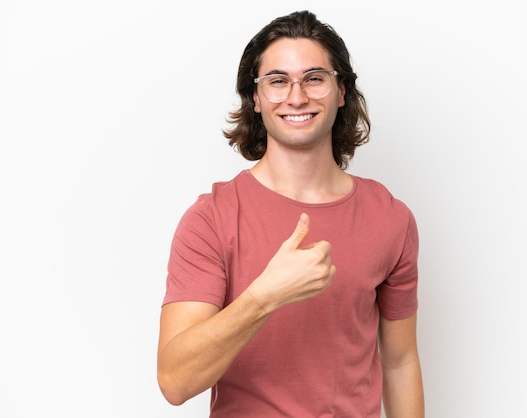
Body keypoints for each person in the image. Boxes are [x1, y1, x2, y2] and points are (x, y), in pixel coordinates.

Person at [157, 10, 424, 418]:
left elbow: (400, 362)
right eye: (278, 81)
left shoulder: (391, 218)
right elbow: (175, 382)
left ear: (341, 92)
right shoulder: (211, 219)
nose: (296, 96)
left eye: (314, 78)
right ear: (256, 99)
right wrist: (264, 297)